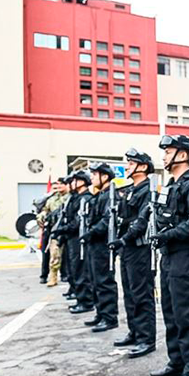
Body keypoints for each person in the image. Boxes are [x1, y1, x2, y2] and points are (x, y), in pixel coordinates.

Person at [149, 135, 189, 376]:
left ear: (182, 155)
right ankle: (178, 362)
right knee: (171, 312)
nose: (164, 156)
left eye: (168, 151)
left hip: (185, 255)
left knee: (187, 315)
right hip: (169, 255)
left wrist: (168, 234)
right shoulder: (172, 185)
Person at [108, 149, 156, 358]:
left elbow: (142, 221)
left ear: (142, 167)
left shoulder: (148, 190)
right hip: (127, 247)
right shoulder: (130, 190)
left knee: (141, 294)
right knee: (129, 292)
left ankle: (146, 338)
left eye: (131, 163)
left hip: (139, 247)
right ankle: (135, 331)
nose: (127, 167)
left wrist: (124, 239)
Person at [79, 162, 119, 332]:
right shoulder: (100, 195)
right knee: (95, 281)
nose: (92, 178)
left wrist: (91, 232)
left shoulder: (110, 195)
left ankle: (109, 317)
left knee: (104, 282)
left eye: (95, 175)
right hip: (94, 244)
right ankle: (101, 313)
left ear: (105, 176)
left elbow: (107, 220)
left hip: (103, 245)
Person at [57, 171, 95, 315]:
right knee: (74, 269)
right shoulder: (75, 198)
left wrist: (63, 229)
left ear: (82, 182)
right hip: (71, 238)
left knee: (81, 271)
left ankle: (85, 301)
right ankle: (80, 297)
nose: (71, 184)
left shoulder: (85, 198)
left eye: (74, 181)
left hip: (79, 238)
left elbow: (78, 222)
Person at [36, 178, 68, 287]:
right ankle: (46, 276)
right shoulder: (52, 198)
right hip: (51, 228)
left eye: (61, 184)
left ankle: (64, 274)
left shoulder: (69, 198)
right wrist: (41, 216)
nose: (59, 187)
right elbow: (45, 209)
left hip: (64, 228)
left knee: (63, 254)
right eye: (57, 184)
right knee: (48, 253)